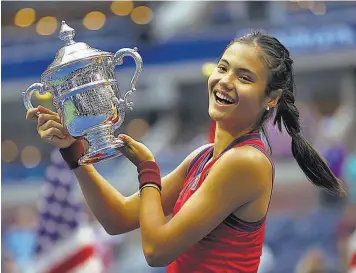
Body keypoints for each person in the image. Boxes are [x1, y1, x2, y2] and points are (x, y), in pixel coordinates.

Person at [26, 31, 346, 273]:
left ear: (271, 98)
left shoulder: (245, 162)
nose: (225, 81)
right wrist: (74, 151)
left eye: (244, 77)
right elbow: (119, 218)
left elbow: (155, 250)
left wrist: (147, 169)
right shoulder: (204, 156)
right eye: (223, 68)